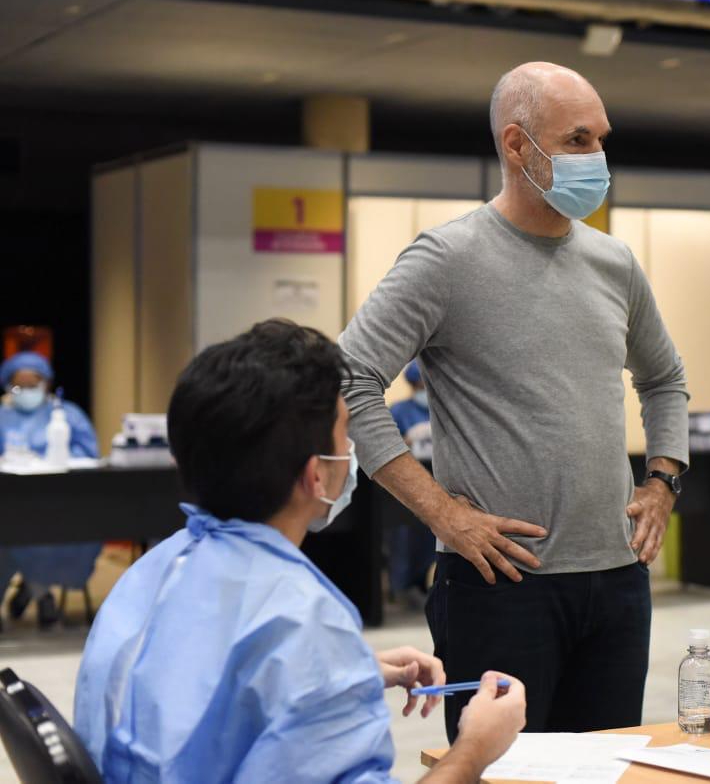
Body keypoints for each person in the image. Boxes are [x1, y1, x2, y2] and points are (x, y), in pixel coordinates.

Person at [339, 61, 689, 739]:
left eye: (601, 140)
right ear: (516, 144)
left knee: (603, 768)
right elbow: (349, 378)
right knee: (503, 771)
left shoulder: (614, 263)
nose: (597, 157)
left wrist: (662, 481)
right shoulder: (447, 258)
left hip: (618, 579)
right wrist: (442, 513)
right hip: (499, 583)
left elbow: (665, 378)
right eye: (578, 140)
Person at [74, 320, 526, 782]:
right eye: (345, 434)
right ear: (316, 475)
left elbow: (188, 686)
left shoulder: (152, 572)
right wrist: (476, 745)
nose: (351, 450)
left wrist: (342, 675)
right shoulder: (303, 617)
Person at [0, 351, 102, 629]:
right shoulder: (3, 417)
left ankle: (36, 588)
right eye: (19, 386)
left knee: (57, 534)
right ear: (8, 385)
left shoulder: (67, 415)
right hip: (10, 503)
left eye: (33, 384)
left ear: (46, 383)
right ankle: (40, 592)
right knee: (11, 534)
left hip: (59, 503)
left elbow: (89, 454)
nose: (26, 391)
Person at [389, 360, 437, 600]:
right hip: (405, 483)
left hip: (438, 481)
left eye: (425, 385)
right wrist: (407, 441)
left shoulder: (442, 410)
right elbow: (386, 446)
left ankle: (424, 584)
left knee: (433, 536)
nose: (423, 390)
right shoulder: (399, 411)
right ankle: (402, 587)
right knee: (404, 535)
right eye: (419, 386)